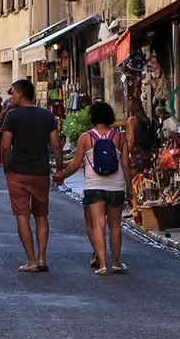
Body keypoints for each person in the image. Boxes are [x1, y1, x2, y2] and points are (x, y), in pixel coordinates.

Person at [55, 101, 128, 274]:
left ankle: (102, 264)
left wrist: (61, 176)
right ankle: (116, 263)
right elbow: (125, 163)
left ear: (92, 117)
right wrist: (130, 189)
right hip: (116, 185)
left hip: (94, 185)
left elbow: (75, 164)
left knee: (98, 224)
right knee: (115, 225)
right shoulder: (119, 138)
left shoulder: (86, 138)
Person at [2, 78, 62, 273]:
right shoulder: (47, 116)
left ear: (20, 94)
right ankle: (43, 258)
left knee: (22, 215)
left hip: (18, 171)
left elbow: (5, 145)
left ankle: (31, 260)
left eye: (13, 93)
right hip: (41, 171)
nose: (11, 96)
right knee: (41, 215)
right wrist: (59, 168)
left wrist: (6, 166)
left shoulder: (12, 116)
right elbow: (56, 144)